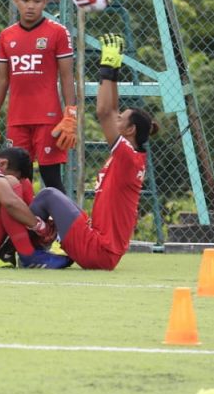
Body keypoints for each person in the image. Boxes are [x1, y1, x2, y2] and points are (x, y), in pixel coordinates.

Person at [29, 35, 157, 270]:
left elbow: (104, 112)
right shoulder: (131, 154)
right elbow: (113, 109)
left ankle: (29, 253)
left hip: (98, 249)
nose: (116, 118)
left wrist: (106, 67)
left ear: (130, 130)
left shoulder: (128, 156)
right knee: (61, 201)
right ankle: (44, 246)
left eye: (122, 119)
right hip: (100, 247)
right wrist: (115, 68)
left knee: (47, 195)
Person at [0, 0, 77, 193]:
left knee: (51, 178)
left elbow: (66, 75)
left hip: (48, 120)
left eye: (36, 1)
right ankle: (24, 227)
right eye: (25, 0)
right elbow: (2, 77)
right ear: (16, 1)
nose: (30, 6)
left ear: (45, 3)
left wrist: (70, 113)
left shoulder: (57, 32)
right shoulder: (6, 36)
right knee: (16, 180)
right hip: (17, 119)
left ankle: (63, 227)